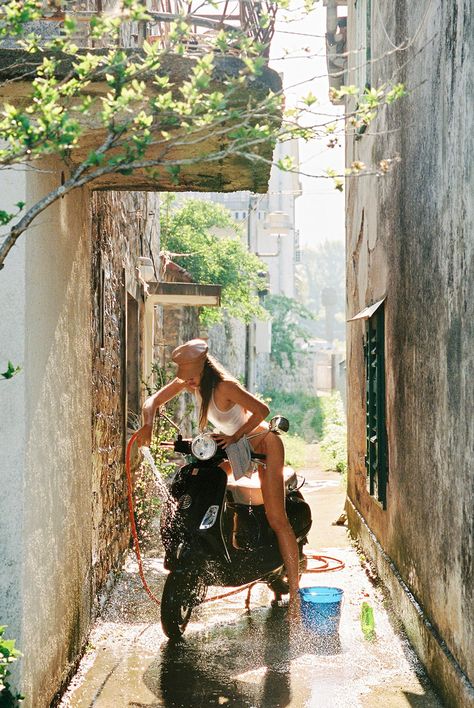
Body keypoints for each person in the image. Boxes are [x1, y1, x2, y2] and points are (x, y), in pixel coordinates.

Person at [135, 338, 301, 615]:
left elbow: (262, 410)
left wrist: (234, 436)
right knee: (202, 480)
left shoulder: (224, 386)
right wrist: (148, 424)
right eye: (184, 379)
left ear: (201, 370)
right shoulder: (194, 382)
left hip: (262, 444)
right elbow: (153, 400)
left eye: (188, 379)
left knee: (277, 518)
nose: (185, 385)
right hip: (232, 445)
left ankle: (295, 592)